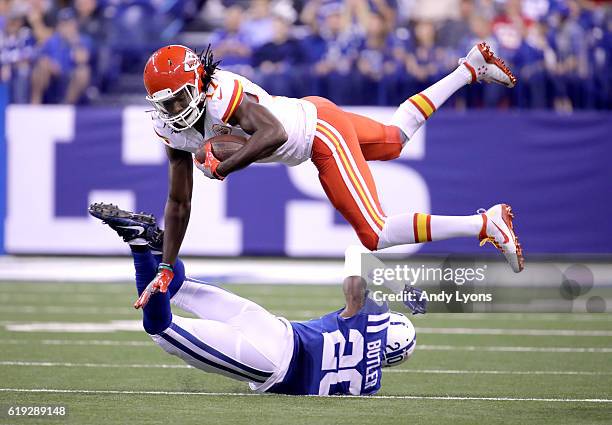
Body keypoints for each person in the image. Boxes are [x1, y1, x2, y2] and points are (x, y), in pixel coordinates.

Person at [141, 40, 523, 306]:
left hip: (317, 133)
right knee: (393, 139)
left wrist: (223, 165)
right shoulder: (169, 128)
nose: (175, 108)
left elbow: (274, 133)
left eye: (179, 97)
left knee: (375, 233)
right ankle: (469, 69)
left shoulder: (221, 93)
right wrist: (166, 266)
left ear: (198, 83)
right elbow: (178, 200)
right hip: (315, 114)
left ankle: (486, 224)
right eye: (166, 103)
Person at [88, 202, 417, 396]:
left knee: (180, 286)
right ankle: (140, 244)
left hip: (274, 328)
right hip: (270, 365)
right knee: (162, 329)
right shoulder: (368, 388)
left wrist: (401, 286)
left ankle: (156, 246)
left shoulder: (373, 318)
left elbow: (356, 255)